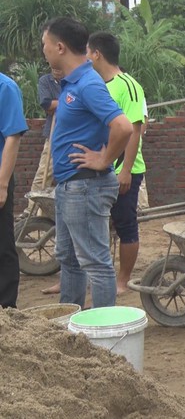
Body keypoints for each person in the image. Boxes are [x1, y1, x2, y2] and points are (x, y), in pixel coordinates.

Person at [41, 17, 132, 309]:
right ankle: (70, 323)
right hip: (71, 186)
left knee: (96, 262)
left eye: (44, 44)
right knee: (69, 258)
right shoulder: (73, 83)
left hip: (85, 186)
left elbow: (124, 126)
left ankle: (103, 333)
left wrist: (104, 159)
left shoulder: (88, 83)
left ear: (59, 47)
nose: (43, 50)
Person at [87, 32, 146, 295]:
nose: (86, 57)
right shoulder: (95, 84)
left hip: (125, 169)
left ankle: (122, 280)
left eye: (87, 52)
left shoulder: (128, 85)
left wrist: (125, 170)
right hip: (99, 168)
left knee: (125, 224)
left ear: (96, 53)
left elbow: (135, 130)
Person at [18, 67, 62, 221]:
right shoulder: (45, 81)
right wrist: (67, 101)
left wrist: (60, 103)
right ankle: (31, 210)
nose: (56, 69)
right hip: (53, 134)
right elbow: (47, 104)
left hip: (71, 134)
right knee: (44, 172)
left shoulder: (71, 79)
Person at [0, 72, 28, 309]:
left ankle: (6, 307)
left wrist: (2, 184)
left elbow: (13, 136)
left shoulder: (5, 87)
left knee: (2, 243)